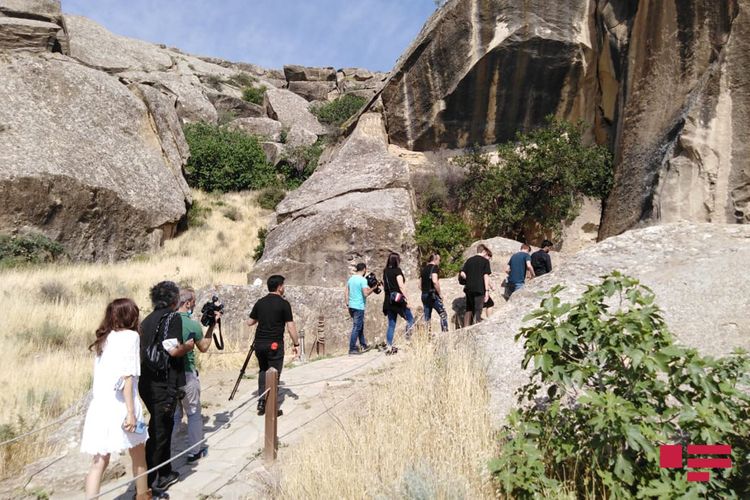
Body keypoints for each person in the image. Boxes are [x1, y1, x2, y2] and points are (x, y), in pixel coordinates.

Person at [81, 298, 151, 500]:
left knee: (99, 461)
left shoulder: (105, 338)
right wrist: (130, 413)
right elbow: (127, 376)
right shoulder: (130, 337)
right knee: (138, 454)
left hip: (101, 406)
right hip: (122, 405)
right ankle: (142, 495)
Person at [139, 281, 194, 497]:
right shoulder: (173, 318)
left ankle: (165, 471)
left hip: (147, 382)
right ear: (174, 300)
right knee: (160, 432)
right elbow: (173, 350)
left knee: (161, 427)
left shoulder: (147, 320)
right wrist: (187, 347)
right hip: (164, 383)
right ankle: (150, 483)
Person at [173, 288, 220, 463]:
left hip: (169, 376)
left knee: (175, 416)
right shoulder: (192, 325)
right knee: (193, 413)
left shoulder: (167, 321)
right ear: (187, 303)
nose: (194, 305)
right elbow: (204, 346)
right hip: (187, 374)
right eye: (193, 302)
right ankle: (195, 451)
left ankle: (167, 452)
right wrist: (212, 326)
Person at [246, 275, 300, 416]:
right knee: (274, 374)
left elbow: (250, 322)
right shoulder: (284, 304)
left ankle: (261, 401)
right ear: (279, 287)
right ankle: (272, 409)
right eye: (283, 285)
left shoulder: (260, 302)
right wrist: (296, 343)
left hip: (259, 343)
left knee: (263, 370)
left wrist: (262, 317)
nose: (284, 288)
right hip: (274, 344)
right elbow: (290, 326)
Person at [382, 252, 415, 354]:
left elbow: (385, 286)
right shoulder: (397, 271)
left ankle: (389, 345)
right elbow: (401, 286)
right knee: (410, 319)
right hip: (398, 300)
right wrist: (408, 299)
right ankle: (408, 340)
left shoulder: (385, 271)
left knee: (391, 324)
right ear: (397, 260)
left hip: (388, 300)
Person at [344, 263, 375, 355]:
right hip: (359, 306)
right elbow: (365, 294)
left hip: (351, 306)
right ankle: (352, 348)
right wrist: (373, 288)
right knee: (357, 327)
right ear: (364, 269)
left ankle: (363, 345)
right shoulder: (363, 280)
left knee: (360, 326)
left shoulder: (351, 279)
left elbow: (346, 291)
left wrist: (347, 303)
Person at [460, 244, 492, 326]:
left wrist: (469, 279)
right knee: (478, 309)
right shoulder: (485, 261)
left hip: (468, 288)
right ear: (484, 251)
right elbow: (485, 276)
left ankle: (465, 328)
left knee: (469, 309)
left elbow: (462, 273)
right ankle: (476, 327)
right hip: (479, 288)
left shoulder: (469, 260)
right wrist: (487, 291)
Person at [420, 253, 448, 333]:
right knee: (443, 314)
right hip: (433, 295)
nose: (439, 262)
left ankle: (427, 336)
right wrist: (440, 294)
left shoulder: (424, 269)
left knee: (427, 316)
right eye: (439, 260)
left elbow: (419, 284)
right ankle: (445, 333)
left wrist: (425, 290)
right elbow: (435, 281)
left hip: (424, 295)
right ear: (435, 259)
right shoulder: (434, 268)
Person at [482, 249, 497, 318]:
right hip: (481, 287)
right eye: (489, 256)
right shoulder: (484, 262)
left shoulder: (475, 261)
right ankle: (489, 319)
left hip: (473, 287)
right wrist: (490, 287)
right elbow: (485, 276)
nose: (489, 258)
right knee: (490, 304)